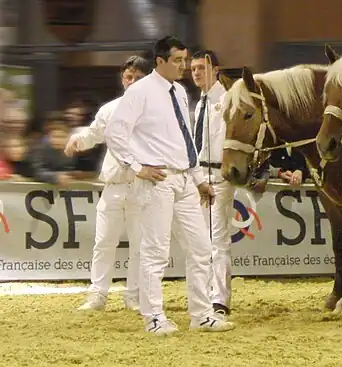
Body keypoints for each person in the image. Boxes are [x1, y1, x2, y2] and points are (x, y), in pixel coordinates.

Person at [104, 36, 235, 335]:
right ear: (160, 61)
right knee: (155, 252)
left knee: (202, 248)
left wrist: (199, 179)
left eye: (185, 60)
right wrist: (137, 167)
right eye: (177, 60)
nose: (184, 66)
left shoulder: (179, 91)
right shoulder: (140, 91)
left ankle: (201, 314)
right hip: (157, 179)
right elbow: (115, 132)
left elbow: (185, 137)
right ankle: (153, 317)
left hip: (185, 178)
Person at [67, 55, 152, 312]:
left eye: (138, 78)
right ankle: (98, 294)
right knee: (104, 241)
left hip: (142, 185)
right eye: (129, 77)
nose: (132, 82)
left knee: (140, 245)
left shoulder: (156, 112)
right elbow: (94, 133)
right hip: (114, 184)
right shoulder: (110, 109)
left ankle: (134, 295)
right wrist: (77, 141)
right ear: (122, 78)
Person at [188, 49, 234, 316]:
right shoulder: (200, 102)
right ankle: (205, 294)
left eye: (201, 68)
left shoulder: (226, 101)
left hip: (219, 177)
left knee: (218, 240)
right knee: (201, 241)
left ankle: (220, 300)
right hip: (199, 177)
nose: (196, 73)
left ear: (216, 70)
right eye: (193, 69)